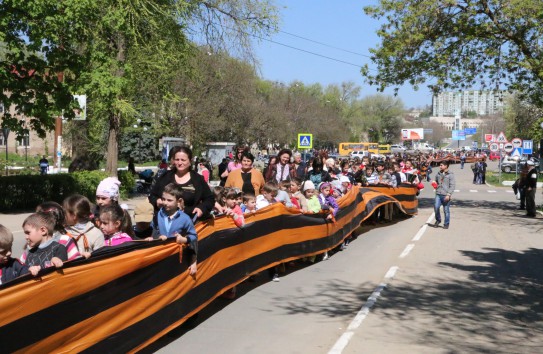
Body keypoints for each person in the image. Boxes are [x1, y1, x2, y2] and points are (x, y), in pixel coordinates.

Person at [149, 146, 215, 222]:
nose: (180, 163)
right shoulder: (165, 177)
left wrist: (201, 208)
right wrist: (157, 201)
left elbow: (209, 199)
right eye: (177, 160)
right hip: (164, 222)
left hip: (189, 222)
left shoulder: (198, 179)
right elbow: (152, 195)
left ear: (190, 161)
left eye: (183, 160)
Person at [153, 183, 198, 275]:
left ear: (179, 201)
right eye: (163, 199)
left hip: (177, 258)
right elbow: (154, 230)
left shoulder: (185, 218)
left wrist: (184, 239)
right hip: (161, 255)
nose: (165, 202)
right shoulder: (158, 215)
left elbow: (194, 236)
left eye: (169, 200)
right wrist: (157, 236)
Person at [433, 161, 456, 229]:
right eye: (440, 165)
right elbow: (436, 181)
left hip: (446, 194)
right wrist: (434, 184)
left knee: (446, 210)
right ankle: (438, 220)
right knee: (436, 207)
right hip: (438, 193)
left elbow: (452, 185)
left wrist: (448, 195)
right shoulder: (438, 174)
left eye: (441, 165)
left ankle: (446, 223)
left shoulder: (450, 174)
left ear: (446, 166)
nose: (440, 166)